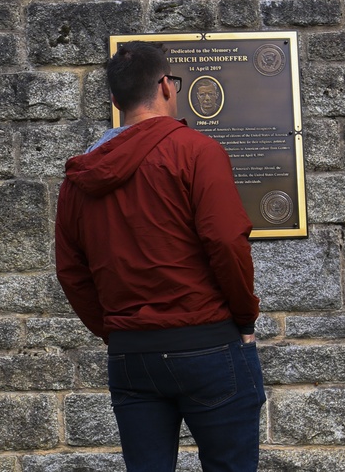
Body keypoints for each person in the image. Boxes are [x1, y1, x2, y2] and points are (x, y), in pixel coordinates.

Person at [55, 41, 265, 472]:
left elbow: (71, 272)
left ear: (115, 100)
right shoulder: (197, 152)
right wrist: (244, 319)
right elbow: (226, 241)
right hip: (208, 344)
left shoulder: (80, 177)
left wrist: (118, 332)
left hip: (133, 358)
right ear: (167, 87)